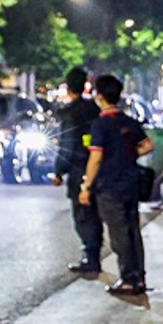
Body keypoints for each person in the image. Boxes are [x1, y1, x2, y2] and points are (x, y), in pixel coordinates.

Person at [78, 73, 151, 296]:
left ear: (99, 97)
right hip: (131, 183)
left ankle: (128, 279)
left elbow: (96, 157)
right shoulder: (128, 121)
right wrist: (127, 156)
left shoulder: (101, 125)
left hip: (110, 186)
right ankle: (139, 276)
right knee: (132, 231)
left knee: (119, 234)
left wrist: (86, 186)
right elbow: (147, 146)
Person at [49, 67, 102, 274]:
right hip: (96, 166)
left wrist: (59, 171)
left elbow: (67, 143)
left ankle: (91, 257)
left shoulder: (71, 113)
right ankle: (93, 253)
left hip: (79, 168)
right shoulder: (94, 110)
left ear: (68, 87)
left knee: (82, 215)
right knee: (92, 213)